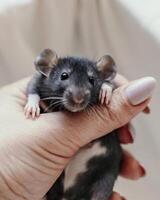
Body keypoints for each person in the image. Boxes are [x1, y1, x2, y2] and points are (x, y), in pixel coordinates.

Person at [0, 75, 156, 200]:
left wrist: (108, 88)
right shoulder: (43, 89)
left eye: (90, 80)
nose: (78, 96)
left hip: (98, 172)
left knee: (106, 178)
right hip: (49, 185)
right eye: (65, 76)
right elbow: (36, 83)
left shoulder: (103, 85)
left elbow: (107, 82)